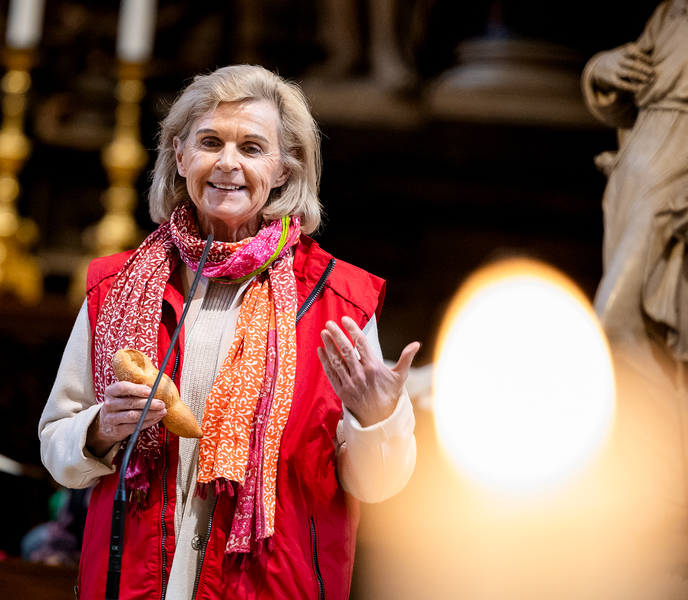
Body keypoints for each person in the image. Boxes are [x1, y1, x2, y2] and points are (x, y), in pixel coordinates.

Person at [40, 65, 419, 599]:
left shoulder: (338, 302)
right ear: (180, 156)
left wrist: (375, 418)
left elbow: (377, 485)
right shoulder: (119, 287)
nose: (227, 163)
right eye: (210, 142)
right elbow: (56, 443)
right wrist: (101, 428)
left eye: (252, 148)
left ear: (285, 168)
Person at [582, 0, 688, 536]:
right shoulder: (671, 11)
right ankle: (672, 483)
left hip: (686, 181)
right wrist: (603, 70)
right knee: (660, 333)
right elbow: (633, 97)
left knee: (616, 321)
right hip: (635, 182)